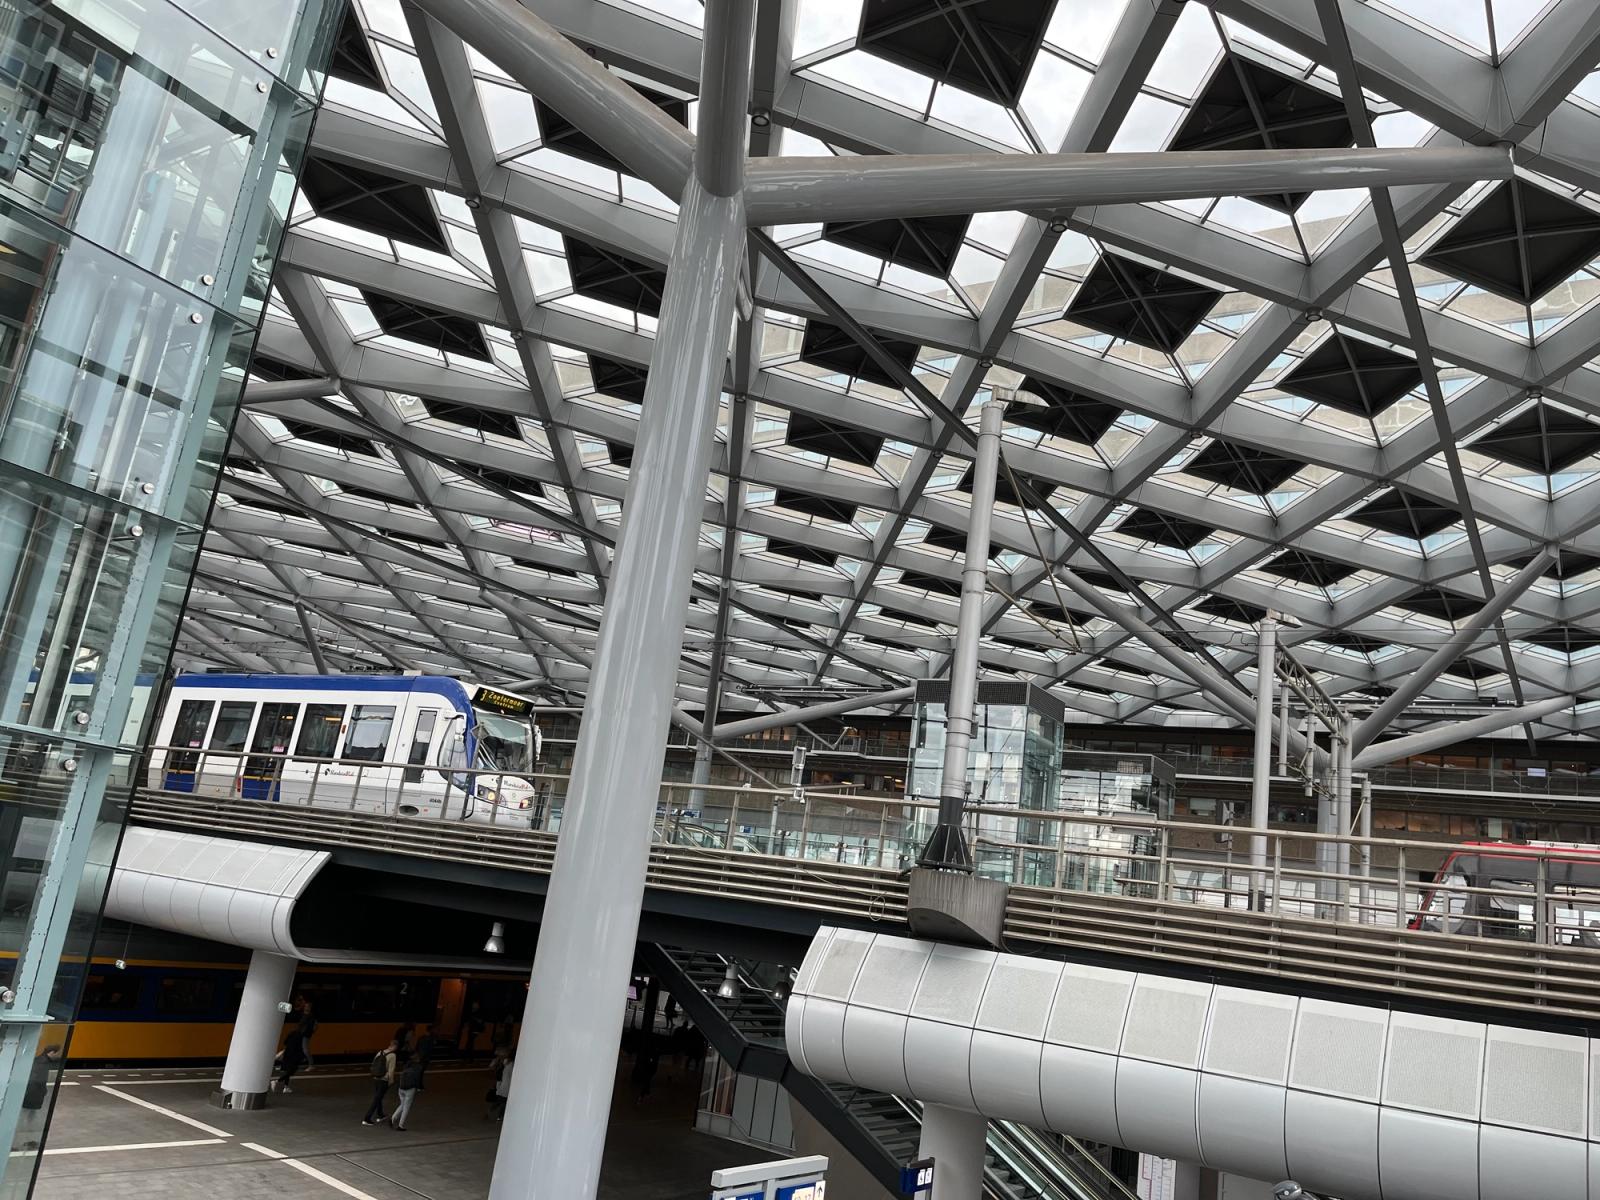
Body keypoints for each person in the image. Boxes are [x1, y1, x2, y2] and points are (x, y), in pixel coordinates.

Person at [18, 1045, 62, 1150]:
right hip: (33, 1095)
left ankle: (28, 1140)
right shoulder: (42, 1063)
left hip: (32, 1094)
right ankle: (23, 1141)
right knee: (26, 1117)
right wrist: (43, 1091)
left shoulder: (39, 1060)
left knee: (29, 1117)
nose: (58, 1055)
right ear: (51, 1052)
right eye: (57, 1053)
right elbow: (38, 1080)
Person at [273, 997, 316, 1093]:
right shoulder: (304, 1023)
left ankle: (285, 1087)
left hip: (292, 1049)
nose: (305, 1007)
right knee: (292, 1069)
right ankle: (277, 1081)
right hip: (295, 1052)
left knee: (289, 1069)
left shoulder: (298, 1028)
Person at [362, 1040, 398, 1125]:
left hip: (376, 1078)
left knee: (378, 1097)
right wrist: (391, 1081)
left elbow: (374, 1064)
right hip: (384, 1080)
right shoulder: (393, 1055)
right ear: (395, 1046)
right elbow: (391, 1070)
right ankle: (367, 1118)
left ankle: (380, 1114)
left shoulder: (380, 1052)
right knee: (377, 1098)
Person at [389, 1055, 424, 1131]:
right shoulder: (419, 1067)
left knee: (402, 1104)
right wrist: (419, 1088)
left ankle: (392, 1118)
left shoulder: (407, 1065)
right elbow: (418, 1079)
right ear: (418, 1060)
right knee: (406, 1108)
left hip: (401, 1088)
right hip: (410, 1089)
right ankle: (400, 1125)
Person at [487, 1049, 512, 1121]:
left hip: (501, 1083)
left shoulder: (503, 1062)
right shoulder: (509, 1063)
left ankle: (491, 1112)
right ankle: (499, 1116)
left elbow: (491, 1068)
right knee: (502, 1101)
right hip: (504, 1084)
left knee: (500, 1100)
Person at [413, 1024, 436, 1088]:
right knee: (421, 1072)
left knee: (418, 1071)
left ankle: (417, 1084)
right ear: (431, 1030)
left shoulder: (421, 1037)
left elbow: (416, 1047)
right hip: (425, 1058)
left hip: (419, 1056)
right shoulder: (431, 1039)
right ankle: (419, 1085)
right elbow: (430, 1049)